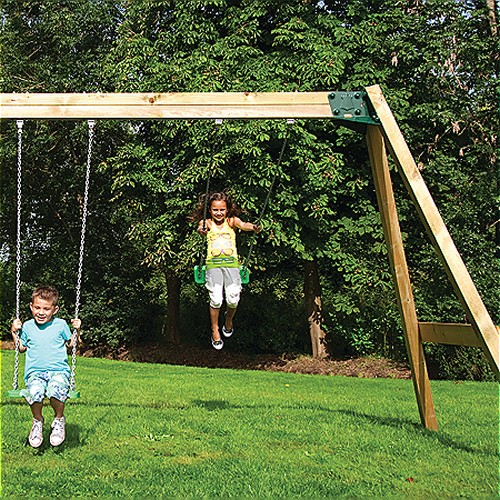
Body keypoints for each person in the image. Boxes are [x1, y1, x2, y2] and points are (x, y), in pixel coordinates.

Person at [10, 285, 81, 448]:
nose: (41, 312)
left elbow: (72, 344)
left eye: (46, 309)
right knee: (35, 392)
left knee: (56, 390)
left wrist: (77, 331)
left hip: (58, 371)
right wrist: (14, 332)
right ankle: (37, 421)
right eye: (37, 307)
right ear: (31, 307)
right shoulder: (28, 326)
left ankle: (59, 420)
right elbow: (21, 348)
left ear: (55, 310)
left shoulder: (61, 324)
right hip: (35, 372)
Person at [192, 192, 261, 350]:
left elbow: (244, 225)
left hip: (231, 265)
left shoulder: (231, 221)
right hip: (213, 265)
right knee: (216, 299)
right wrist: (201, 231)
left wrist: (254, 227)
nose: (219, 213)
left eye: (222, 209)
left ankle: (228, 320)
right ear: (210, 210)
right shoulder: (207, 223)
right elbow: (200, 228)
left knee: (233, 298)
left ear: (227, 209)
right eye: (215, 210)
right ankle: (215, 328)